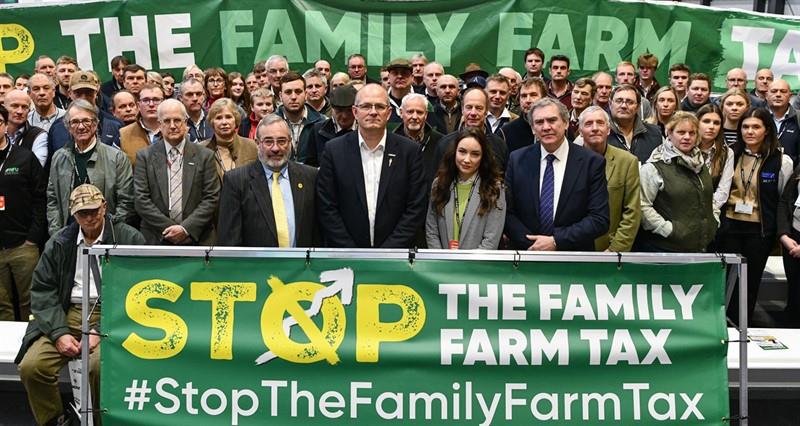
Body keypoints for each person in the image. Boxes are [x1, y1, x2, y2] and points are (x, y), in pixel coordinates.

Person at [17, 184, 144, 426]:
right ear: (73, 214)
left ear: (104, 206)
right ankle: (55, 420)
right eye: (82, 213)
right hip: (67, 313)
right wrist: (58, 333)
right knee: (32, 366)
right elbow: (43, 291)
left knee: (99, 367)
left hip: (113, 312)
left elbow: (138, 290)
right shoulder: (60, 242)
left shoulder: (128, 237)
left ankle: (101, 422)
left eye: (94, 210)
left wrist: (101, 328)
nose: (89, 217)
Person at [317, 84, 426, 248]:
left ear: (389, 113)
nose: (373, 112)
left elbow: (416, 206)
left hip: (396, 257)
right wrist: (351, 250)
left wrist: (389, 251)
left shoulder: (409, 152)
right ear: (355, 112)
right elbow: (326, 206)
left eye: (380, 107)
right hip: (346, 255)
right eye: (366, 106)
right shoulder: (334, 150)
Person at [718, 108, 793, 322]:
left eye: (756, 127)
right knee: (727, 281)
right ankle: (724, 325)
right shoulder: (729, 154)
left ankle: (743, 326)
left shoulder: (781, 160)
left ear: (766, 130)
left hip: (759, 231)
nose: (750, 131)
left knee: (750, 283)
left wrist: (779, 233)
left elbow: (782, 200)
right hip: (730, 226)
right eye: (745, 126)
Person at [504, 98, 609, 251]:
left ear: (566, 123)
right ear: (533, 128)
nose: (546, 127)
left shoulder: (591, 162)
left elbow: (599, 219)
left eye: (552, 120)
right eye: (539, 122)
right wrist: (533, 245)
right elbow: (507, 213)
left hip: (573, 259)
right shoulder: (517, 159)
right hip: (526, 255)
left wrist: (556, 241)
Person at [218, 114, 319, 247]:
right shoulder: (236, 181)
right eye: (268, 142)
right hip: (257, 266)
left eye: (282, 141)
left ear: (290, 143)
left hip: (303, 266)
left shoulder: (310, 176)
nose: (276, 148)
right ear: (257, 143)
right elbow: (229, 240)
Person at [133, 99, 220, 245]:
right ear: (159, 125)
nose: (172, 126)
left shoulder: (205, 156)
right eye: (167, 121)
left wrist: (185, 229)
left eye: (177, 120)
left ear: (186, 123)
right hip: (156, 237)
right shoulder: (145, 156)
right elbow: (141, 200)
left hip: (197, 237)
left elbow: (211, 198)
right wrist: (170, 229)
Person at [47, 99, 134, 235]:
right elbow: (52, 200)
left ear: (95, 124)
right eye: (75, 122)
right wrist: (57, 233)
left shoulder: (117, 158)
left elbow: (126, 202)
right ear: (68, 127)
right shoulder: (59, 158)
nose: (81, 127)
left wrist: (111, 232)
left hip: (107, 236)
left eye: (86, 121)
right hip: (68, 236)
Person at [637, 112, 717, 253]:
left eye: (691, 133)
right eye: (681, 132)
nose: (687, 137)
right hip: (665, 248)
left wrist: (714, 221)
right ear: (669, 133)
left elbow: (708, 197)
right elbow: (642, 206)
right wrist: (669, 230)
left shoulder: (700, 163)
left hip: (700, 246)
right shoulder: (654, 166)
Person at [0, 105, 46, 321]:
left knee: (31, 303)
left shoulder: (24, 158)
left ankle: (31, 349)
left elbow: (41, 198)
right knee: (2, 306)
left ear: (5, 125)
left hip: (22, 245)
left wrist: (32, 238)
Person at [426, 128, 505, 249]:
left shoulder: (494, 188)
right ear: (454, 152)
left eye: (475, 154)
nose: (467, 159)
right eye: (462, 152)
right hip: (442, 264)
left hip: (477, 265)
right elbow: (431, 231)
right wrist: (441, 259)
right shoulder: (439, 183)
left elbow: (491, 240)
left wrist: (468, 266)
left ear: (483, 156)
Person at [576, 106, 641, 252]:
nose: (595, 128)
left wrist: (615, 250)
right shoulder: (568, 160)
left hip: (608, 248)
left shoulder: (627, 162)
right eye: (588, 124)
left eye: (600, 123)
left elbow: (632, 212)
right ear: (580, 132)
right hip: (572, 247)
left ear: (609, 129)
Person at [48, 71, 124, 152]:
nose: (83, 98)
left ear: (96, 93)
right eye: (78, 93)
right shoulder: (57, 127)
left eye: (88, 93)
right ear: (70, 93)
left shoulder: (115, 125)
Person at [200, 98, 258, 182]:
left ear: (236, 120)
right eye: (219, 118)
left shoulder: (252, 146)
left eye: (228, 117)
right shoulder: (201, 149)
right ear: (212, 122)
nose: (224, 122)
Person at [696, 104, 734, 222]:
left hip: (710, 215)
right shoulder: (685, 147)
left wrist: (705, 212)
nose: (711, 127)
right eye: (706, 121)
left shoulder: (726, 152)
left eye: (716, 123)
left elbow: (723, 191)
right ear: (697, 123)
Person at [275, 72, 324, 163]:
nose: (293, 97)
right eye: (288, 92)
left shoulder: (322, 123)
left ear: (305, 94)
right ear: (281, 96)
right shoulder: (269, 125)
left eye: (298, 92)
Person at [608, 84, 662, 163]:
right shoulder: (601, 134)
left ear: (638, 107)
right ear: (610, 104)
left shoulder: (655, 133)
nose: (624, 106)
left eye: (630, 102)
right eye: (619, 101)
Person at [306, 84, 357, 167]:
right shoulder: (318, 131)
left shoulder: (365, 131)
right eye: (339, 111)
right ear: (332, 109)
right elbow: (310, 167)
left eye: (348, 111)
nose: (344, 116)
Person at [120, 82, 164, 166]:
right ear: (138, 105)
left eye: (156, 100)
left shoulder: (178, 131)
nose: (151, 104)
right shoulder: (123, 134)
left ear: (164, 103)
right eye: (146, 100)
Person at [502, 77, 546, 153]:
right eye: (524, 96)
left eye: (533, 95)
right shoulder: (506, 133)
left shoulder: (558, 129)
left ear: (544, 98)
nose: (528, 100)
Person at [3, 89, 47, 167]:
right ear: (4, 107)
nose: (20, 111)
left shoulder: (38, 135)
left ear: (29, 110)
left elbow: (35, 167)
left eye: (24, 107)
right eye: (15, 106)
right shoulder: (1, 133)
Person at [767, 79, 800, 165]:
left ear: (790, 96)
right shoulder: (758, 117)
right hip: (761, 173)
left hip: (794, 175)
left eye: (783, 91)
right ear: (766, 95)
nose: (778, 95)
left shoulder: (798, 118)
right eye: (774, 91)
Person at [180, 78, 211, 143]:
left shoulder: (212, 118)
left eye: (198, 94)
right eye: (189, 94)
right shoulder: (176, 123)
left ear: (204, 96)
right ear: (181, 98)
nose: (195, 98)